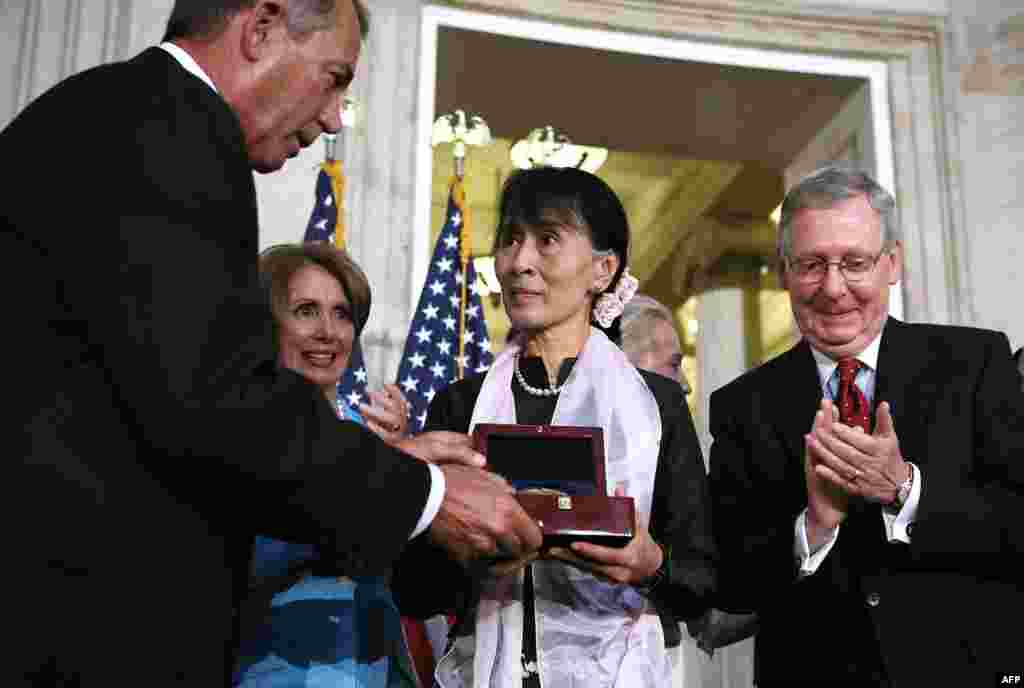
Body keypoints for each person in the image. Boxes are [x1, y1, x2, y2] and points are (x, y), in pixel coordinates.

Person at [3, 1, 540, 684]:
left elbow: (154, 398)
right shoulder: (168, 128)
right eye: (334, 78)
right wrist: (428, 495)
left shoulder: (114, 112)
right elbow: (213, 403)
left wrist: (396, 462)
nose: (335, 117)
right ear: (259, 29)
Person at [394, 166, 715, 687]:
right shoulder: (462, 404)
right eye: (510, 240)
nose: (519, 262)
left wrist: (650, 563)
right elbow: (414, 590)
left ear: (603, 269)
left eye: (547, 241)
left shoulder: (655, 405)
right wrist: (464, 549)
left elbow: (701, 582)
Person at [708, 165, 1024, 687]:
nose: (833, 289)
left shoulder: (974, 361)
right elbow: (728, 581)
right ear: (785, 269)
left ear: (892, 262)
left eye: (855, 262)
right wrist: (813, 528)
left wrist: (907, 490)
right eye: (811, 264)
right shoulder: (743, 406)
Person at [235, 242, 422, 687]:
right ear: (267, 326)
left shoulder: (375, 439)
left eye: (342, 314)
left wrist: (400, 471)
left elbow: (406, 582)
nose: (328, 332)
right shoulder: (240, 436)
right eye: (305, 310)